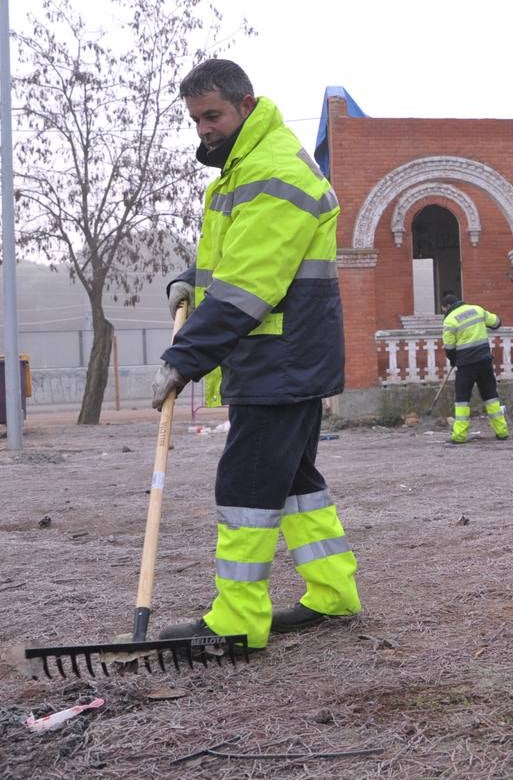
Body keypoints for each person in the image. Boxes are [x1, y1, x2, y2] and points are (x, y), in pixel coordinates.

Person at [151, 59, 361, 654]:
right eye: (195, 120)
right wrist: (194, 279)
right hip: (281, 356)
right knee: (296, 483)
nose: (204, 130)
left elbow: (251, 286)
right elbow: (239, 265)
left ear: (246, 105)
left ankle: (239, 620)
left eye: (212, 115)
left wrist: (184, 357)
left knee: (246, 483)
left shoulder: (272, 174)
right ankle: (333, 592)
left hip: (280, 359)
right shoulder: (248, 169)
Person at [440, 292, 509, 444]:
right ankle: (502, 431)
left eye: (443, 310)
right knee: (490, 395)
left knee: (462, 399)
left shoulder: (450, 321)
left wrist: (453, 361)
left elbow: (449, 348)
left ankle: (459, 436)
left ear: (447, 307)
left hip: (466, 366)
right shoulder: (477, 309)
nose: (444, 313)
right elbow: (497, 322)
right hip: (484, 362)